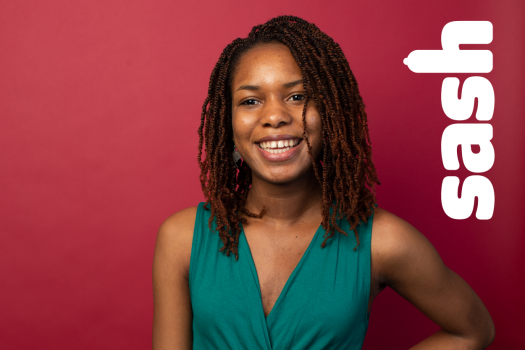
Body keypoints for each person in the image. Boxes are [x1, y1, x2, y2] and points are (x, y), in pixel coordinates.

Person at [152, 15, 495, 349]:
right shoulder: (182, 240)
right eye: (251, 101)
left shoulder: (382, 242)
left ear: (331, 113)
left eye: (298, 96)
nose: (274, 116)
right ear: (228, 123)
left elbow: (472, 331)